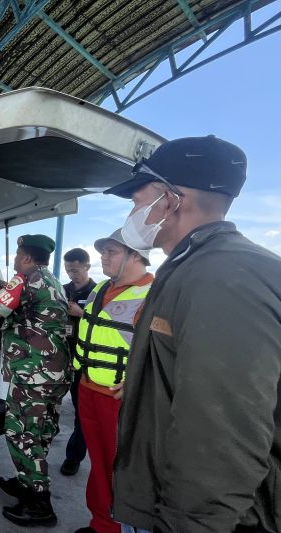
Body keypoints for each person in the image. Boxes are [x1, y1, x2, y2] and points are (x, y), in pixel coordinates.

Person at [105, 136, 281, 533]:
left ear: (169, 201)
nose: (132, 214)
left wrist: (190, 525)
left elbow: (222, 432)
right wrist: (145, 385)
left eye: (137, 201)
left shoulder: (223, 277)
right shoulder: (197, 265)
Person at [0, 234, 70, 527]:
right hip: (55, 373)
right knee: (41, 431)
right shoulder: (53, 281)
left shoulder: (23, 279)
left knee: (23, 433)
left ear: (26, 258)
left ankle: (40, 504)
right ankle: (26, 482)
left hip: (32, 374)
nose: (14, 261)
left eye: (17, 256)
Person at [72, 230, 152, 533]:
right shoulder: (102, 288)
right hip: (88, 388)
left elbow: (170, 352)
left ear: (136, 255)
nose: (103, 257)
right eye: (103, 251)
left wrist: (139, 381)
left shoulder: (153, 295)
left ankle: (118, 527)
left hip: (119, 399)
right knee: (98, 462)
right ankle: (101, 523)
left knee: (120, 468)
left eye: (112, 251)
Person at [60, 247, 96, 477]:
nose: (72, 274)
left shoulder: (98, 293)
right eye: (68, 269)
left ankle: (74, 457)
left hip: (83, 361)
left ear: (87, 267)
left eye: (75, 269)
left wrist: (82, 313)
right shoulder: (63, 291)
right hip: (60, 357)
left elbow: (109, 322)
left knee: (81, 413)